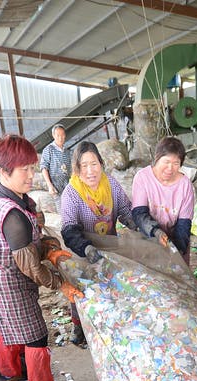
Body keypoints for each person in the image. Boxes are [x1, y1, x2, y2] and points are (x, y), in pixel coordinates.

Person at [0, 135, 82, 381]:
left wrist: (50, 247)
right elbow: (32, 268)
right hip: (11, 282)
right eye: (24, 169)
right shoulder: (13, 215)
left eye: (32, 168)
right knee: (35, 333)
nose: (31, 175)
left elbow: (34, 235)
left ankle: (10, 374)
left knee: (8, 326)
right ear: (4, 171)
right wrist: (62, 284)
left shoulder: (7, 198)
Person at [59, 141, 133, 346]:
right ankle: (79, 328)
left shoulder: (111, 185)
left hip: (110, 248)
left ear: (101, 163)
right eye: (84, 166)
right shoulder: (72, 194)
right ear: (77, 168)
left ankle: (108, 325)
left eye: (94, 164)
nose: (90, 171)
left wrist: (138, 225)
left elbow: (126, 211)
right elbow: (68, 229)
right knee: (82, 291)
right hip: (82, 252)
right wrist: (86, 248)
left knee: (109, 288)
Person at [130, 136, 196, 264]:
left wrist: (176, 252)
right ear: (157, 159)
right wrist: (156, 232)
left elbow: (184, 223)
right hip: (148, 238)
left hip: (176, 240)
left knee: (177, 278)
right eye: (166, 162)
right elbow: (139, 214)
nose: (170, 168)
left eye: (176, 163)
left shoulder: (185, 184)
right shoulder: (143, 177)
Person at [40, 124, 71, 197]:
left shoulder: (67, 151)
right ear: (53, 136)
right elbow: (44, 167)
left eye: (62, 135)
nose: (60, 138)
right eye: (58, 135)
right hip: (56, 188)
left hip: (67, 187)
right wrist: (50, 185)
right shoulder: (49, 149)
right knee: (60, 208)